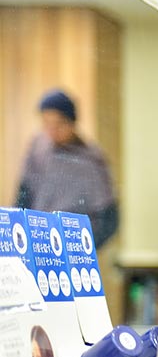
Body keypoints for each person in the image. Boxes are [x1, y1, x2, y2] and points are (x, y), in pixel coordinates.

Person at [15, 89, 118, 247]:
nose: (52, 131)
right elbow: (23, 196)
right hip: (38, 241)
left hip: (75, 245)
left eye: (59, 124)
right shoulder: (38, 150)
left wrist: (85, 245)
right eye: (47, 124)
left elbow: (109, 216)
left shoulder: (91, 160)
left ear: (71, 122)